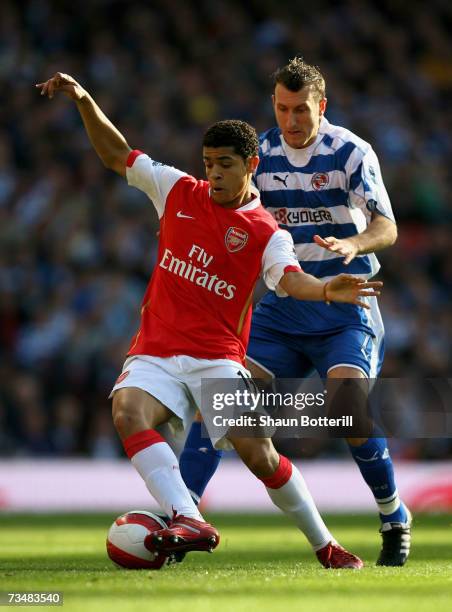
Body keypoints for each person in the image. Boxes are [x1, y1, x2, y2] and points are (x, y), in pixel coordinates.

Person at [36, 72, 382, 567]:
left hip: (217, 360)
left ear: (251, 165)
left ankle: (325, 545)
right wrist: (86, 100)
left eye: (225, 164)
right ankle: (187, 514)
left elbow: (290, 281)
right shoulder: (178, 191)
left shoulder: (266, 233)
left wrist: (327, 288)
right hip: (155, 350)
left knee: (261, 458)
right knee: (126, 411)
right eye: (208, 163)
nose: (214, 173)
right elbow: (118, 155)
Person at [179, 57, 412, 567]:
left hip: (345, 304)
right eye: (282, 109)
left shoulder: (351, 151)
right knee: (221, 407)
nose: (291, 121)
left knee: (349, 408)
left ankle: (393, 514)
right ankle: (182, 518)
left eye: (301, 110)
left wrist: (354, 243)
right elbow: (232, 219)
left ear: (320, 107)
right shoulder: (257, 154)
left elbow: (387, 226)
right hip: (282, 309)